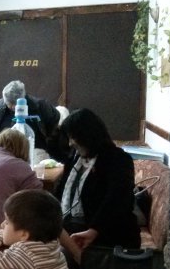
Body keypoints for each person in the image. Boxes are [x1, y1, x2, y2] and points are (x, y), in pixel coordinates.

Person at [56, 108, 140, 252]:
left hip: (107, 233)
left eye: (73, 137)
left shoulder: (117, 159)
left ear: (87, 136)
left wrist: (94, 230)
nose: (70, 143)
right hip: (74, 229)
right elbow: (60, 192)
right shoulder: (75, 159)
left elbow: (117, 200)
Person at [0, 80, 59, 154]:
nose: (13, 107)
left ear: (23, 98)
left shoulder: (40, 106)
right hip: (6, 150)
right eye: (9, 104)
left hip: (34, 149)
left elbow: (55, 117)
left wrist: (47, 136)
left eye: (15, 103)